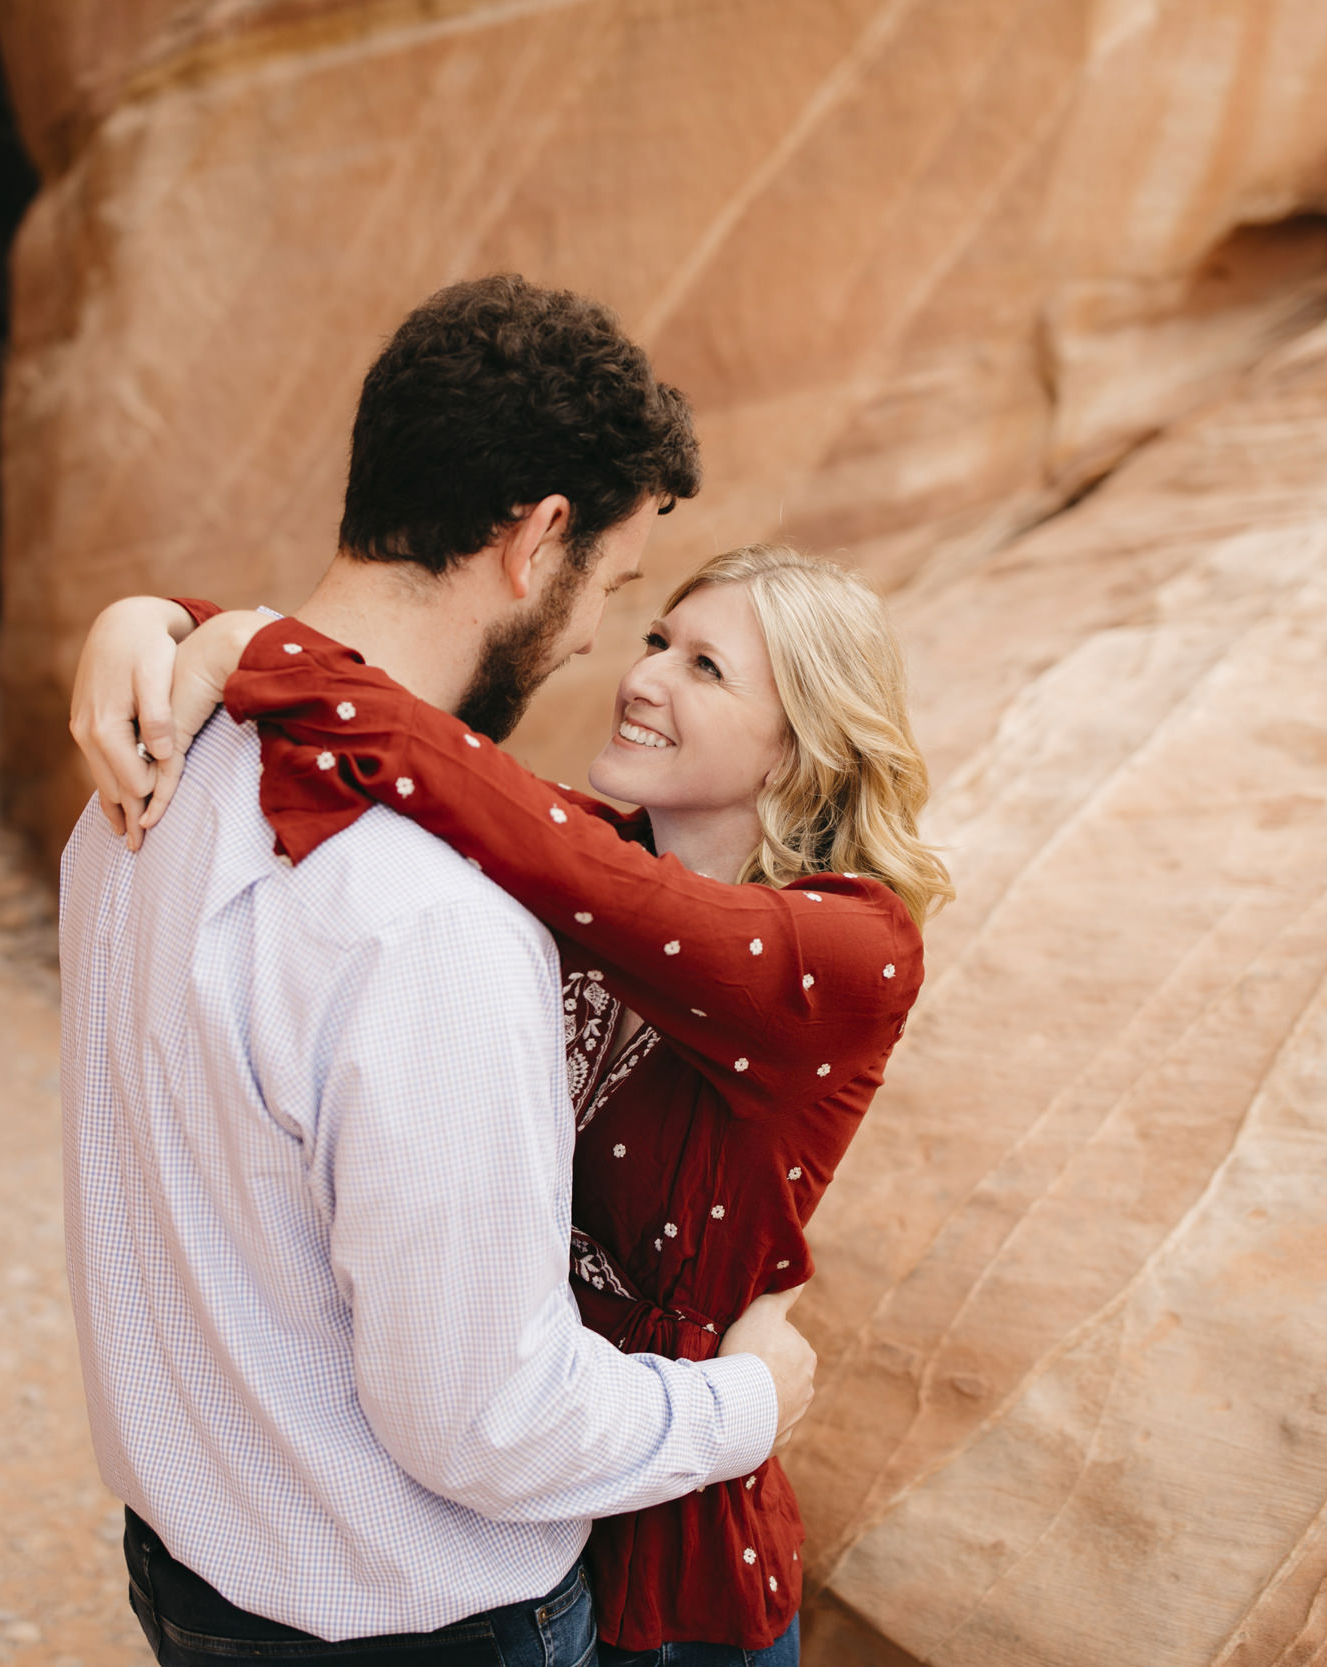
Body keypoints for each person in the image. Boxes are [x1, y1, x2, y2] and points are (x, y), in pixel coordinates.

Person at [57, 274, 820, 1667]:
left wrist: (154, 616)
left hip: (183, 1576)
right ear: (537, 542)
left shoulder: (133, 781)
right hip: (415, 1618)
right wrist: (747, 1405)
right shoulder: (437, 924)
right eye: (619, 582)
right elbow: (486, 1420)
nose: (600, 636)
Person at [78, 544, 949, 1666]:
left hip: (676, 1563)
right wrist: (149, 615)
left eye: (706, 667)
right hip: (515, 1489)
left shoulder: (849, 947)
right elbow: (448, 773)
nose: (643, 677)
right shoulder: (572, 848)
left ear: (807, 741)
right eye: (653, 641)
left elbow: (529, 833)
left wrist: (256, 645)